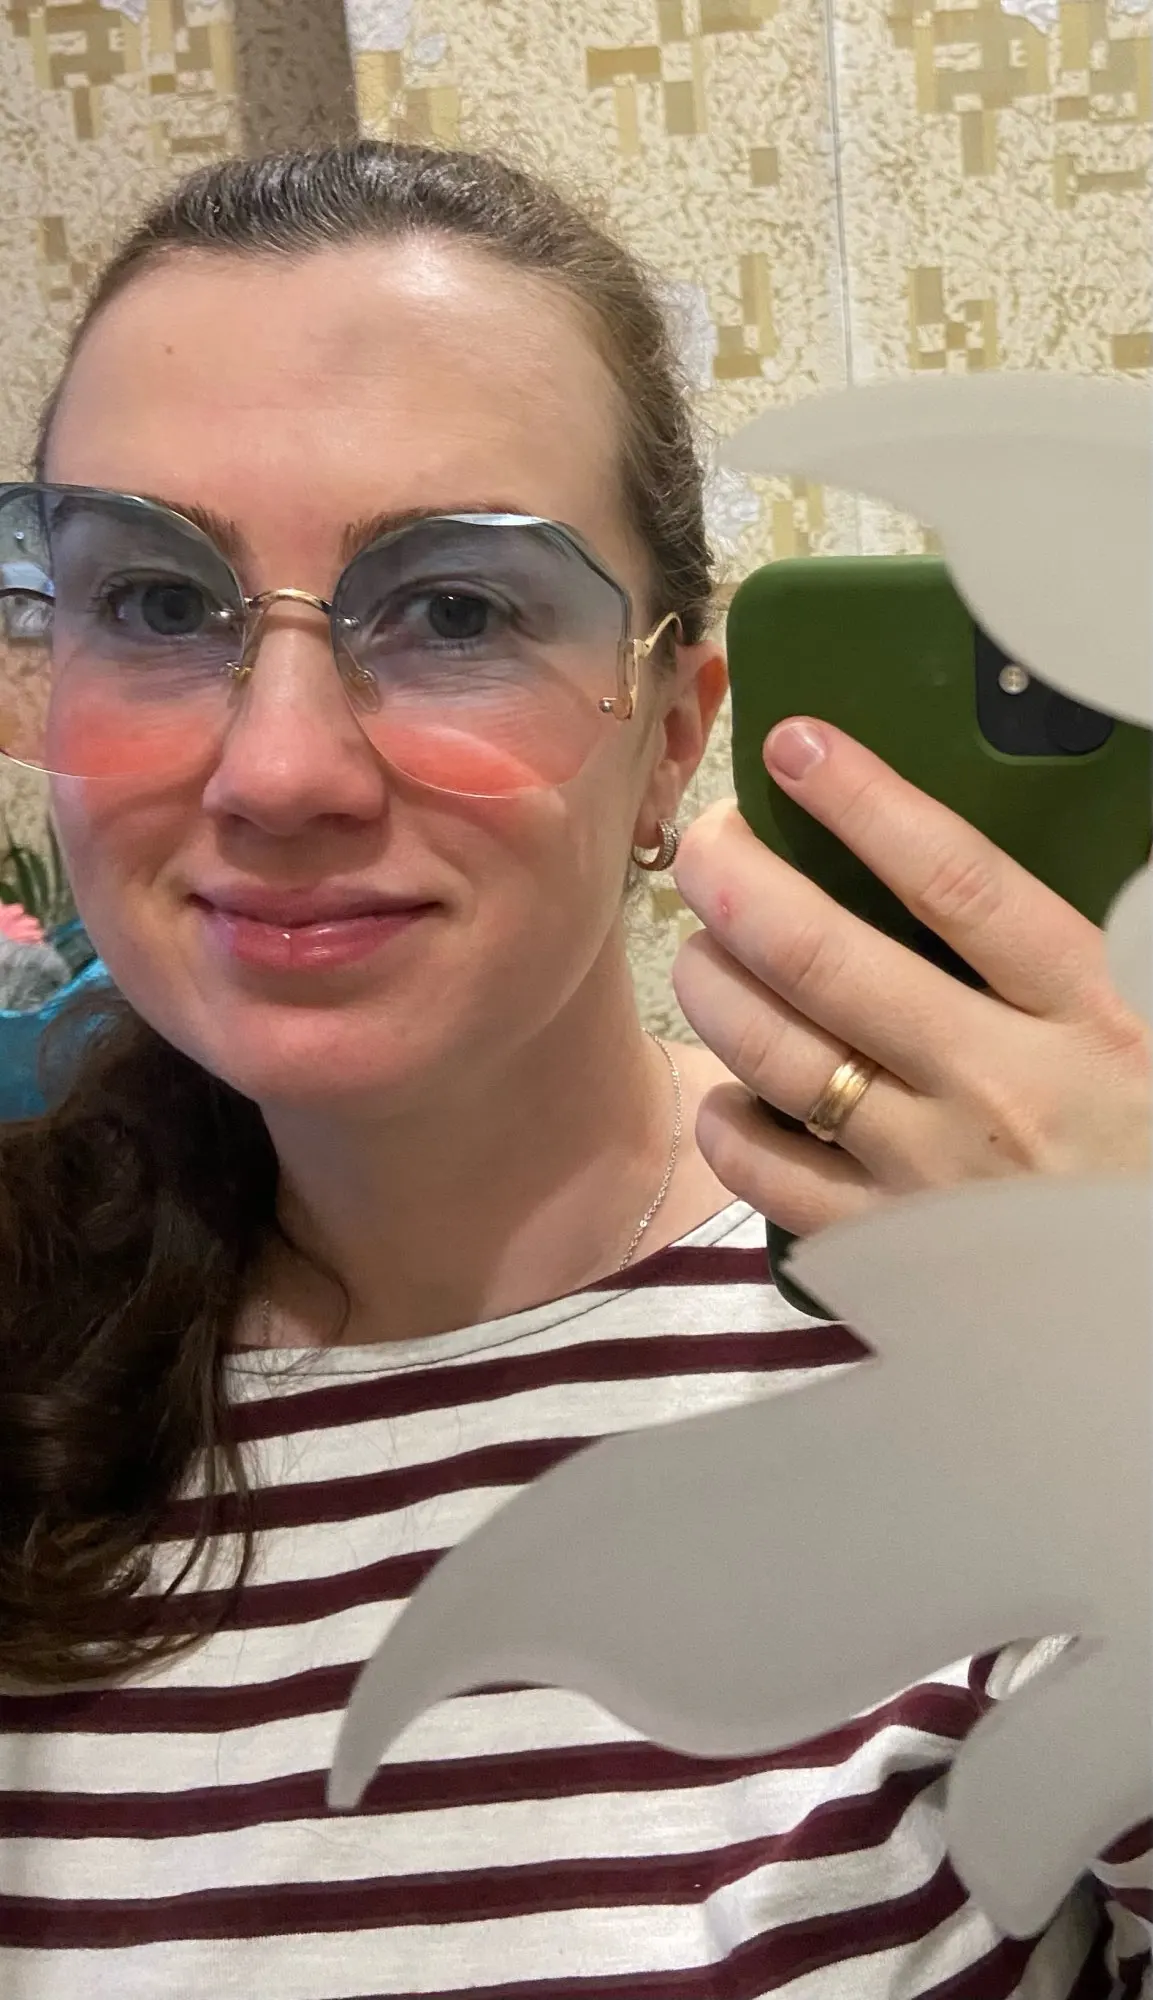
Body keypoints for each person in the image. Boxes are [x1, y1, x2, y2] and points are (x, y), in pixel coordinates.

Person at [0, 140, 1147, 2000]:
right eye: (150, 603)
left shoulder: (982, 1351)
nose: (278, 771)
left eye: (455, 612)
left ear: (673, 733)